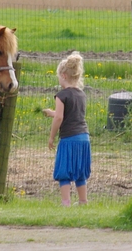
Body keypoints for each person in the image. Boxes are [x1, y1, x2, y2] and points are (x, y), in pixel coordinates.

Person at [42, 51, 91, 207]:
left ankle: (66, 202)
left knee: (64, 171)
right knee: (80, 172)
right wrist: (52, 113)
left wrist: (51, 137)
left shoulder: (61, 95)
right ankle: (83, 201)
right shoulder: (81, 94)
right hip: (83, 138)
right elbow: (70, 114)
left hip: (68, 138)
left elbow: (60, 118)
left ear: (63, 75)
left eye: (58, 77)